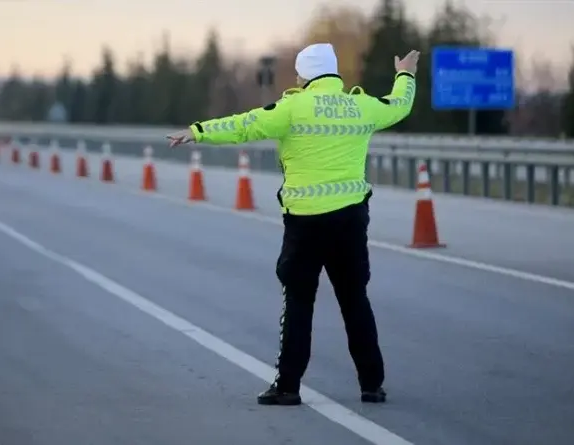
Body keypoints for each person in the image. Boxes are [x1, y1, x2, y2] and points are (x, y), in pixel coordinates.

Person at [167, 43, 419, 406]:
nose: (297, 77)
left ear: (306, 75)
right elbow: (400, 105)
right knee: (354, 300)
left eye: (299, 73)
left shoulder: (292, 107)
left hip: (306, 222)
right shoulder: (360, 105)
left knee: (300, 302)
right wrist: (405, 74)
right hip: (350, 218)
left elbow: (245, 125)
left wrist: (199, 131)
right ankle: (371, 384)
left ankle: (288, 386)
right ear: (332, 72)